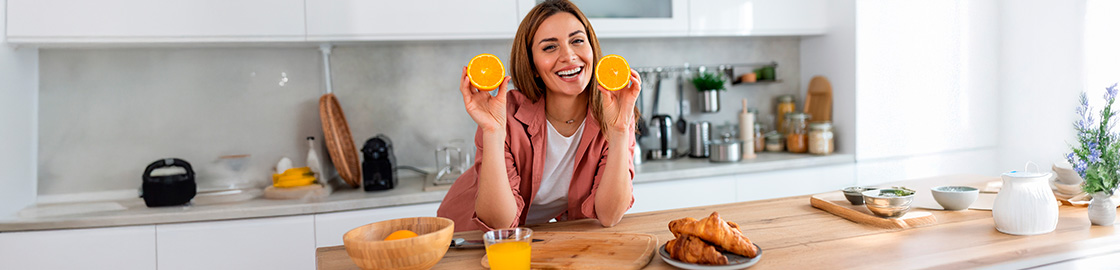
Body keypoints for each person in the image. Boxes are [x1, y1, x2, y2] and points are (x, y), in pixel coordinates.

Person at [436, 0, 642, 232]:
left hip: (533, 236)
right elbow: (499, 223)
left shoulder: (613, 112)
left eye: (577, 41)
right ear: (532, 65)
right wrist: (493, 132)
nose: (569, 55)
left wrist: (620, 130)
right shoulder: (507, 114)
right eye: (550, 47)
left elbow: (609, 215)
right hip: (469, 235)